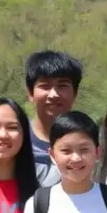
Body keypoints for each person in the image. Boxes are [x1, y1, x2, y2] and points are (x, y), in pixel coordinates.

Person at [25, 51, 84, 187]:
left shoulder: (88, 142)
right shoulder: (18, 141)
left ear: (75, 93)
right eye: (45, 86)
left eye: (62, 86)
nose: (53, 94)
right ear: (30, 93)